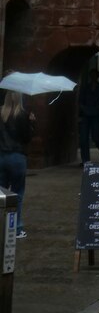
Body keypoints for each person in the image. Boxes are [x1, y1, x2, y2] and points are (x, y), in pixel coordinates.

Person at [0, 91, 34, 238]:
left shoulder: (0, 113)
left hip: (1, 156)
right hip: (17, 158)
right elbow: (27, 138)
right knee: (17, 194)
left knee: (1, 194)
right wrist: (32, 122)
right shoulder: (22, 115)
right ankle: (16, 229)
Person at [79, 68, 99, 164]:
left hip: (96, 115)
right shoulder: (85, 88)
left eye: (94, 75)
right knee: (84, 138)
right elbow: (80, 101)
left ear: (97, 76)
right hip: (86, 115)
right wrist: (83, 109)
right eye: (91, 75)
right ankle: (85, 160)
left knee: (96, 137)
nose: (92, 77)